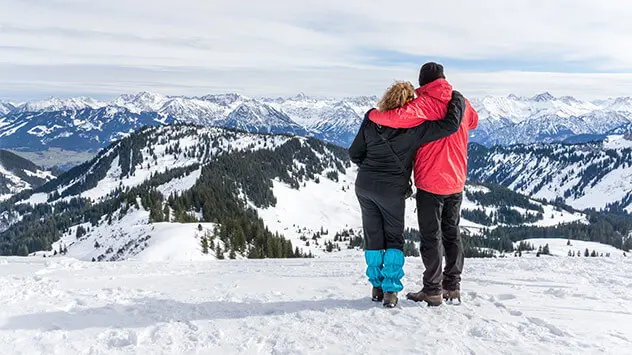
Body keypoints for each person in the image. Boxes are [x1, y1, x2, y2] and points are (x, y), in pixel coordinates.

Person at [367, 62, 479, 306]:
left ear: (423, 83)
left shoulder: (425, 104)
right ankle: (453, 286)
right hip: (457, 179)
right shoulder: (462, 103)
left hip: (431, 181)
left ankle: (432, 290)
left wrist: (371, 114)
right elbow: (474, 122)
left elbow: (394, 118)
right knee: (452, 234)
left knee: (431, 237)